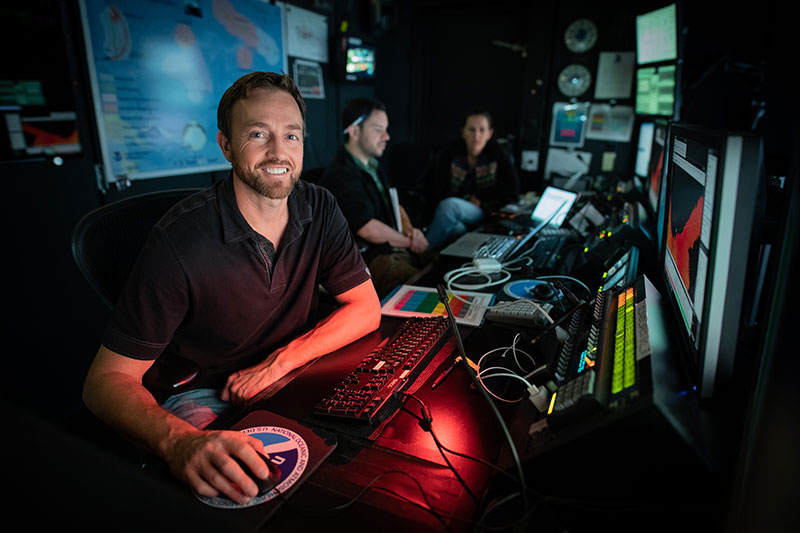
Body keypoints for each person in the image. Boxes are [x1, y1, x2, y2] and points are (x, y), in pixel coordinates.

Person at [82, 72, 381, 506]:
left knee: (358, 460)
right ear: (225, 145)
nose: (279, 152)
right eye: (259, 134)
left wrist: (279, 363)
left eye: (291, 135)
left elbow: (365, 306)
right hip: (204, 391)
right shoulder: (179, 240)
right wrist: (178, 442)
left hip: (290, 370)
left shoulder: (319, 205)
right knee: (246, 495)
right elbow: (104, 382)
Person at [318, 98, 431, 298]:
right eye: (378, 129)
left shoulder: (373, 166)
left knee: (447, 268)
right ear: (354, 131)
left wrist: (411, 231)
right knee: (428, 288)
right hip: (368, 259)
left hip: (393, 248)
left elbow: (395, 204)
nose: (387, 136)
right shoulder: (341, 174)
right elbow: (367, 228)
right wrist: (410, 242)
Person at [425, 109, 520, 250]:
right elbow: (436, 189)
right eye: (471, 130)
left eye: (482, 130)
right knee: (456, 230)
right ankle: (436, 265)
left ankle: (421, 250)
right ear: (463, 131)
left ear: (490, 133)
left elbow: (513, 190)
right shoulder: (450, 152)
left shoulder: (498, 153)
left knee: (449, 205)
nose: (476, 136)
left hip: (483, 210)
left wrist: (480, 197)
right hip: (452, 212)